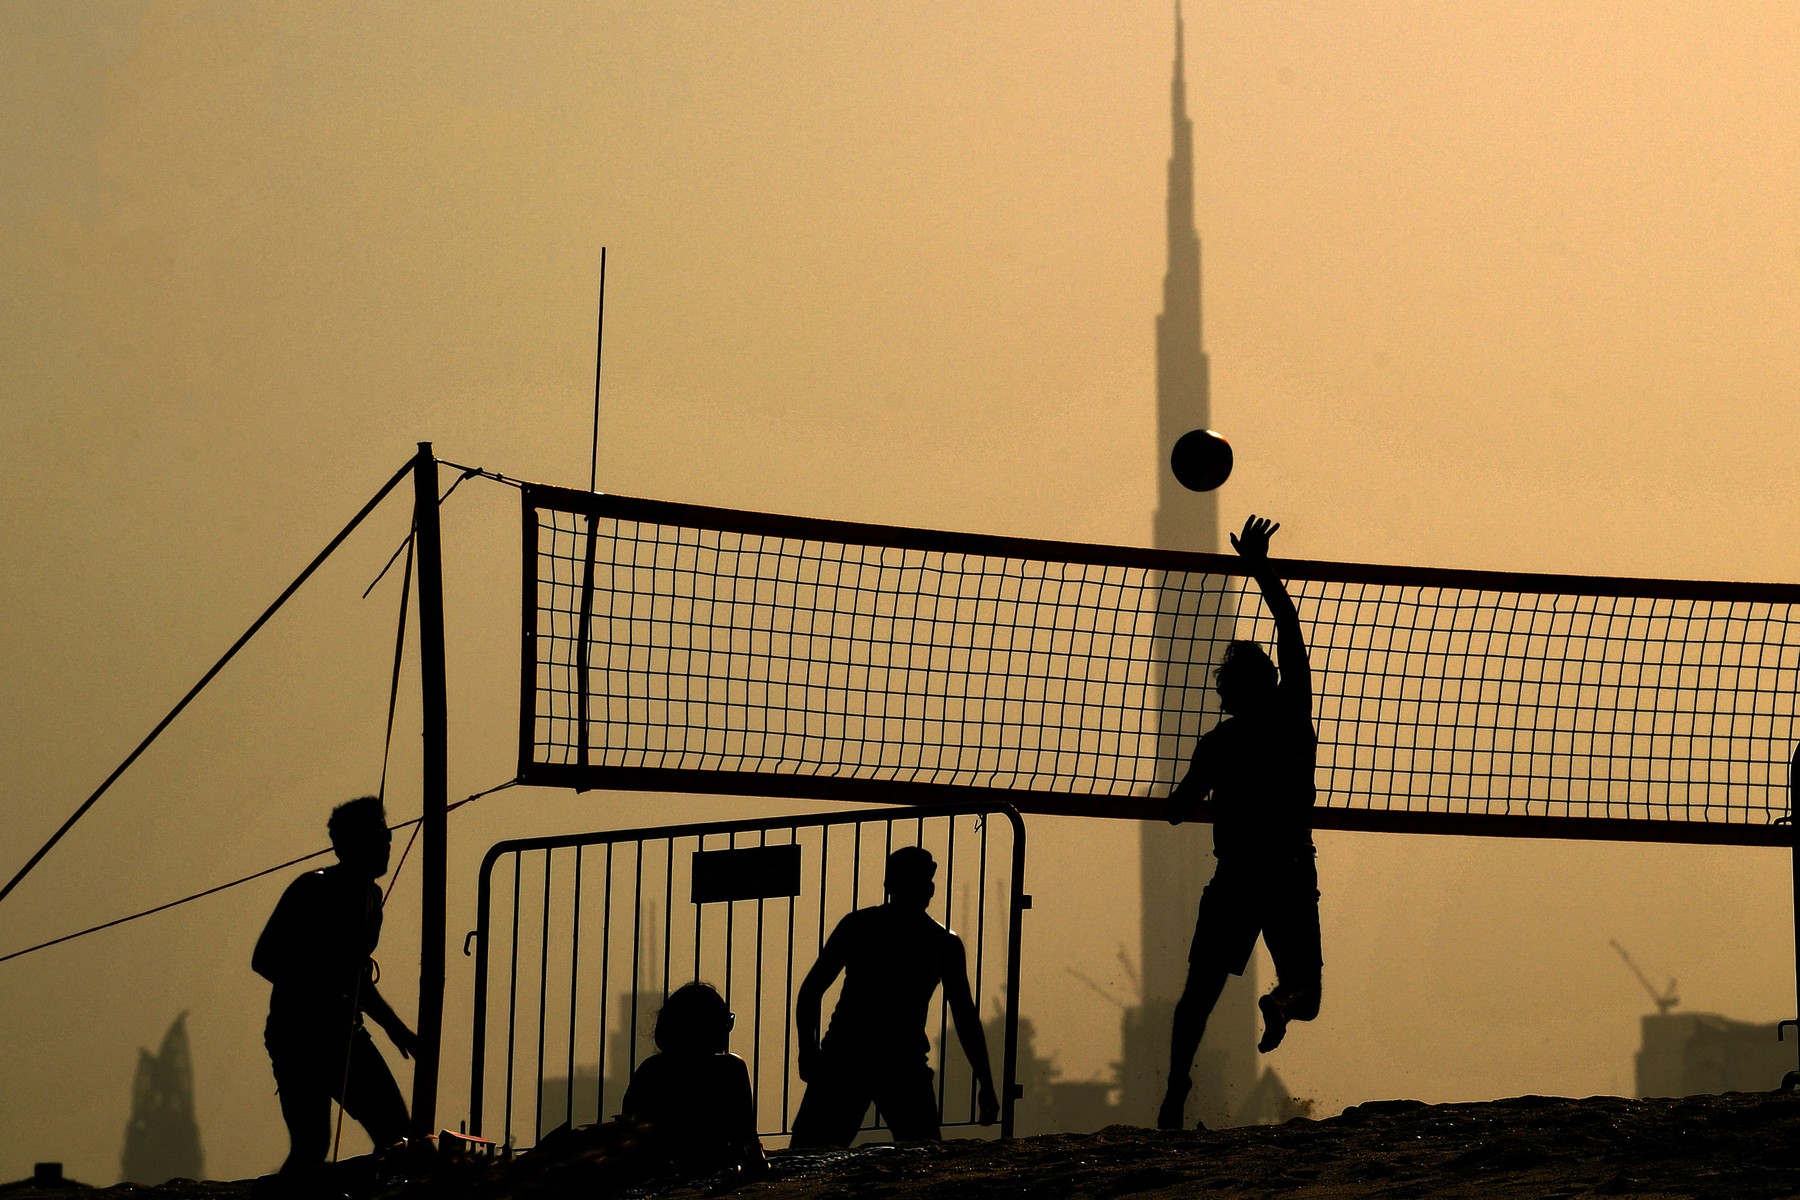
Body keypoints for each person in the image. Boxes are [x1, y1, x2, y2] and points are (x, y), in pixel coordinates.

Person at [1158, 515, 1322, 1131]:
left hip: (1236, 877)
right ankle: (1278, 1003)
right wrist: (1260, 568)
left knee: (1198, 995)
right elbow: (1289, 629)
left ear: (1225, 692)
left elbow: (1178, 808)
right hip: (1287, 869)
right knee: (1305, 993)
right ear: (1273, 681)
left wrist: (1198, 800)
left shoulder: (1217, 743)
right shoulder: (1291, 716)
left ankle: (1175, 1089)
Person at [789, 846, 1000, 1146]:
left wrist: (808, 1051)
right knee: (920, 1156)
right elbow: (964, 1016)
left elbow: (811, 990)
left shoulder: (860, 927)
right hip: (893, 1061)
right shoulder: (941, 943)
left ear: (890, 886)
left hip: (851, 1056)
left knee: (809, 1156)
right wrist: (985, 1084)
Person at [253, 796, 418, 1175]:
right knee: (311, 1144)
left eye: (387, 834)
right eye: (378, 835)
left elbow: (357, 977)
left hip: (346, 1033)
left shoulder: (372, 899)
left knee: (396, 1133)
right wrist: (316, 987)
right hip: (298, 1035)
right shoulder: (313, 889)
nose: (387, 844)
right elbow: (264, 958)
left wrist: (397, 1030)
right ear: (351, 844)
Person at [619, 981, 765, 1177]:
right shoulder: (731, 1069)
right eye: (725, 1022)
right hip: (712, 1163)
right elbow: (747, 1141)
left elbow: (630, 1136)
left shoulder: (650, 1071)